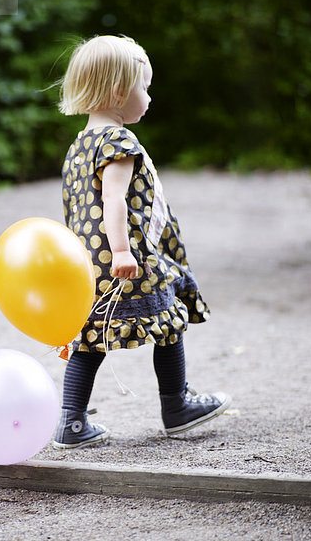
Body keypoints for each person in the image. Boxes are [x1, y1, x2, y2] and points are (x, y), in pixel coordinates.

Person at [53, 35, 231, 449]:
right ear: (118, 91)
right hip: (126, 258)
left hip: (88, 264)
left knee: (91, 336)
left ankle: (71, 422)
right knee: (169, 323)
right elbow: (113, 200)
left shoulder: (79, 146)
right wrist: (121, 252)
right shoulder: (119, 142)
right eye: (144, 87)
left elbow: (78, 206)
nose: (149, 96)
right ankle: (177, 405)